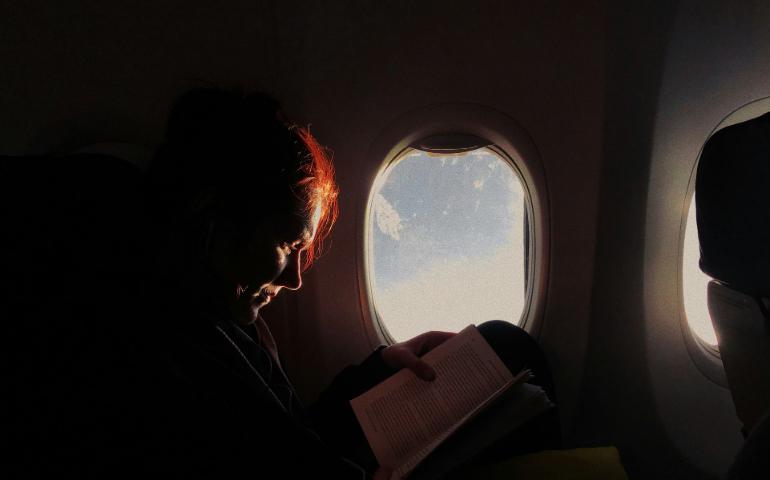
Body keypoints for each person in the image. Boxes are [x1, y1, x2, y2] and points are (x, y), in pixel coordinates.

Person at [44, 87, 558, 478]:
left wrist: (379, 365)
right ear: (212, 216)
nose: (294, 278)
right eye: (290, 245)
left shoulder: (219, 312)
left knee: (505, 346)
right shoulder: (156, 344)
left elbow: (287, 432)